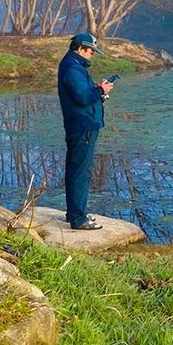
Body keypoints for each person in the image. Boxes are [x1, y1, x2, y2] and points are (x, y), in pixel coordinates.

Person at [57, 31, 115, 230]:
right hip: (83, 126)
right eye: (91, 51)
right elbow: (82, 97)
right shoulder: (73, 68)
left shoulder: (74, 66)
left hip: (81, 125)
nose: (92, 55)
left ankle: (74, 213)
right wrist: (101, 90)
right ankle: (78, 219)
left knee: (77, 169)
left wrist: (96, 89)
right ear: (81, 48)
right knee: (80, 171)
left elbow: (82, 93)